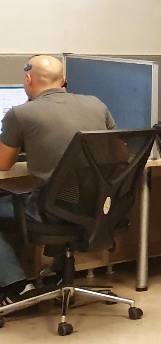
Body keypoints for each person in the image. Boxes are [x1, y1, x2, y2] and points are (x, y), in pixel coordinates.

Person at [0, 55, 117, 302]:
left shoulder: (20, 113)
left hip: (53, 211)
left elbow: (3, 164)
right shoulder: (96, 104)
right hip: (97, 207)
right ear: (63, 81)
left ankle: (17, 287)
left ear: (28, 79)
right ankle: (61, 273)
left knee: (20, 202)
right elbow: (120, 154)